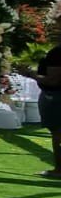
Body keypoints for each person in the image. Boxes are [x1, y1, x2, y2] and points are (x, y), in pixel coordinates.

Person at [36, 43, 61, 177]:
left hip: (55, 97)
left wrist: (30, 74)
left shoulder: (57, 52)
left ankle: (59, 169)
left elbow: (53, 80)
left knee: (57, 133)